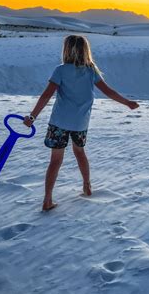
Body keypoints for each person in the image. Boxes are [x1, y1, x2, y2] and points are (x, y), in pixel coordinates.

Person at [23, 34, 139, 211]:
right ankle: (87, 185)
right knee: (80, 153)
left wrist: (32, 117)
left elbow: (46, 95)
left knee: (55, 160)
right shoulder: (91, 71)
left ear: (66, 50)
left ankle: (47, 199)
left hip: (59, 122)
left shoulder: (61, 70)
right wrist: (127, 103)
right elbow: (109, 92)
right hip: (80, 124)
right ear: (85, 51)